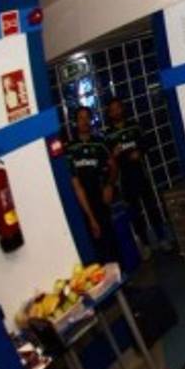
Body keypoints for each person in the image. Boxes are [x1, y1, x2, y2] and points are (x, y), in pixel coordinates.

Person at [105, 97, 167, 254]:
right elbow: (107, 160)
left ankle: (162, 238)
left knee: (152, 206)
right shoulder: (108, 135)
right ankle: (145, 245)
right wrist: (114, 155)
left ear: (122, 108)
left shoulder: (134, 126)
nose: (116, 111)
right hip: (124, 178)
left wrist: (140, 151)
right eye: (113, 110)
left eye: (118, 107)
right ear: (109, 113)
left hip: (141, 172)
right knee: (134, 212)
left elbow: (146, 143)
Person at [66, 106, 118, 263]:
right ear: (76, 122)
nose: (84, 121)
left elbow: (113, 166)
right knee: (94, 241)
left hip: (101, 196)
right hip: (82, 201)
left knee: (110, 237)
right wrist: (90, 217)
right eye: (81, 118)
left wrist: (109, 186)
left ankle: (119, 273)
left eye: (87, 117)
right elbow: (76, 184)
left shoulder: (100, 143)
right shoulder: (70, 149)